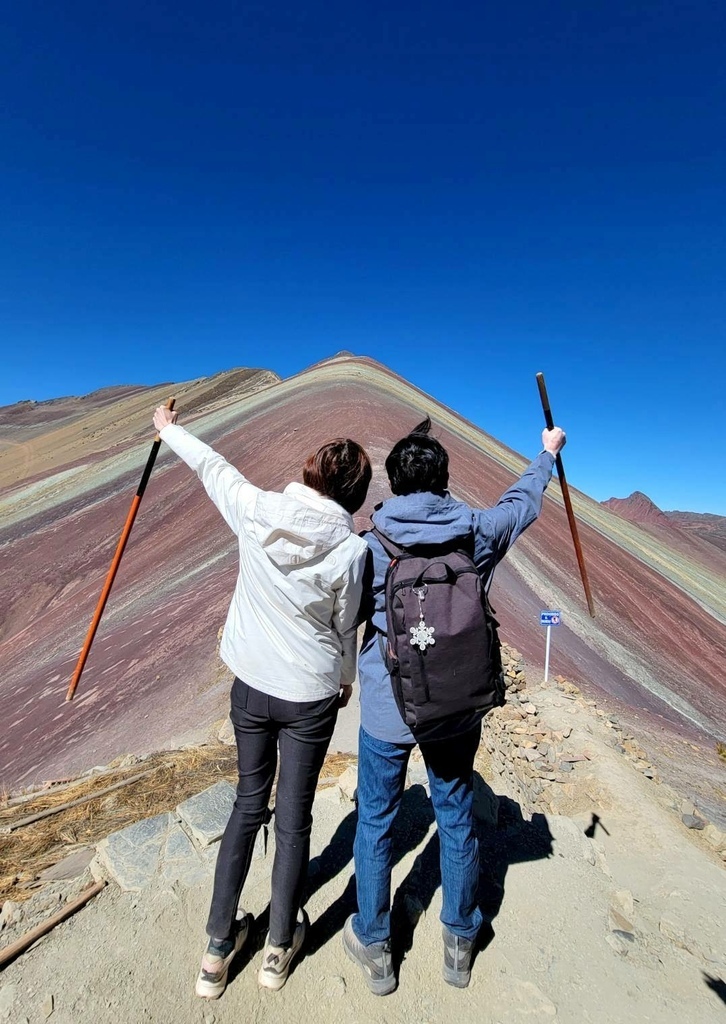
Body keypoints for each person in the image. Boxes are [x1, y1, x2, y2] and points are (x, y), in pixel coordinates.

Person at [152, 406, 371, 997]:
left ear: (310, 474)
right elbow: (346, 624)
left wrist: (168, 429)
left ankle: (216, 953)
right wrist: (344, 676)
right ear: (354, 493)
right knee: (294, 815)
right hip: (309, 696)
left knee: (249, 804)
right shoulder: (353, 552)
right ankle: (278, 948)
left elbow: (212, 467)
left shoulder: (254, 510)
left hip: (250, 686)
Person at [343, 416, 566, 994]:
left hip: (389, 711)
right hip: (455, 706)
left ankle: (374, 945)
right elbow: (523, 502)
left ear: (392, 483)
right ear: (444, 481)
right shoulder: (478, 531)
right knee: (457, 816)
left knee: (375, 820)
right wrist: (546, 455)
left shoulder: (368, 546)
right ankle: (460, 941)